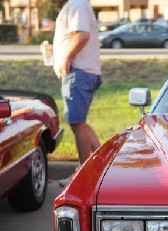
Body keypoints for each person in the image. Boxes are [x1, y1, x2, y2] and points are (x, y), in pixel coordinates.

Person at [50, 0, 102, 186]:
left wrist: (67, 58)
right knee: (79, 123)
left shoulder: (76, 4)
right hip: (83, 71)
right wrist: (57, 52)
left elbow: (82, 35)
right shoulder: (77, 4)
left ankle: (83, 177)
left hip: (79, 72)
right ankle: (102, 167)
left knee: (77, 123)